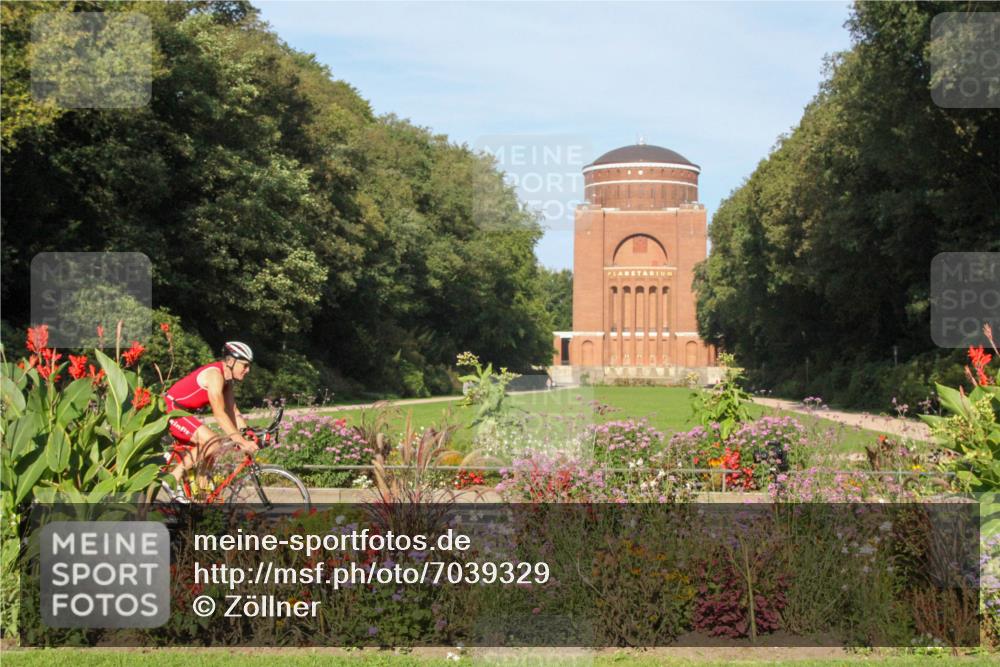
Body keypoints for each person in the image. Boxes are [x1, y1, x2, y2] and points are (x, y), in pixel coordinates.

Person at [164, 341, 258, 488]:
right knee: (213, 443)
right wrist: (241, 442)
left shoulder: (227, 381)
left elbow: (232, 411)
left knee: (211, 452)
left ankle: (201, 494)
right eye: (245, 365)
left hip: (183, 412)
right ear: (230, 361)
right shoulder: (215, 375)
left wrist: (247, 433)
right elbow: (219, 414)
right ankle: (171, 479)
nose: (248, 370)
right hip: (171, 409)